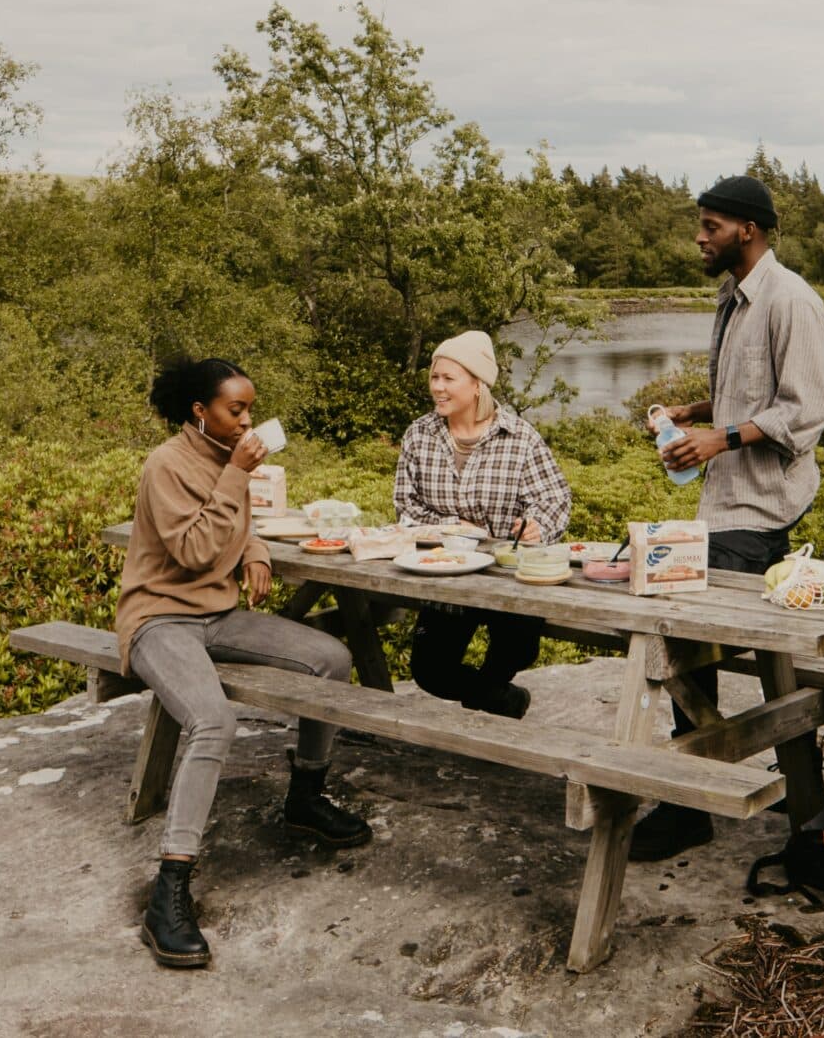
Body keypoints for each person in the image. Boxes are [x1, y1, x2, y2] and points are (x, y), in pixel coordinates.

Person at [119, 356, 371, 969]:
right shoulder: (167, 465)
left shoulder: (223, 460)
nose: (248, 421)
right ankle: (170, 890)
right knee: (213, 721)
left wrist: (255, 547)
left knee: (331, 659)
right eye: (236, 410)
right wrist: (237, 476)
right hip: (159, 619)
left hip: (217, 615)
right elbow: (195, 547)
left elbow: (232, 528)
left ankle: (305, 797)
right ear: (200, 412)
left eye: (250, 409)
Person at [633, 174, 824, 861]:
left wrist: (722, 438)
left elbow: (803, 411)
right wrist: (696, 414)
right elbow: (746, 394)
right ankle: (807, 795)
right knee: (735, 650)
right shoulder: (732, 298)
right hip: (722, 501)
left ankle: (691, 802)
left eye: (711, 225)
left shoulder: (792, 302)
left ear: (748, 230)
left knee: (688, 643)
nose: (700, 235)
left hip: (758, 505)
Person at [394, 330, 573, 720]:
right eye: (434, 378)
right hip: (446, 577)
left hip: (508, 578)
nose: (437, 388)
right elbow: (406, 509)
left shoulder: (519, 437)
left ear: (478, 385)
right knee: (429, 673)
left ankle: (493, 697)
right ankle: (502, 700)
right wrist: (453, 526)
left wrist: (536, 526)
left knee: (518, 650)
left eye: (448, 379)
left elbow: (555, 500)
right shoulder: (418, 435)